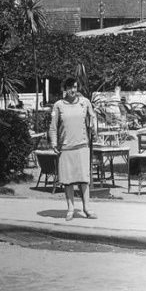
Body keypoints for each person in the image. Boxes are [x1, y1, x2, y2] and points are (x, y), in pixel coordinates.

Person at [49, 77, 98, 221]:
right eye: (70, 87)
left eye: (75, 87)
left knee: (84, 180)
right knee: (68, 181)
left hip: (82, 146)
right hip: (66, 148)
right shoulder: (58, 105)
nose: (73, 90)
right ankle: (70, 209)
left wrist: (94, 130)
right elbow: (53, 127)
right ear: (65, 89)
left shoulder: (85, 103)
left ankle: (87, 208)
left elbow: (92, 118)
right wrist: (53, 143)